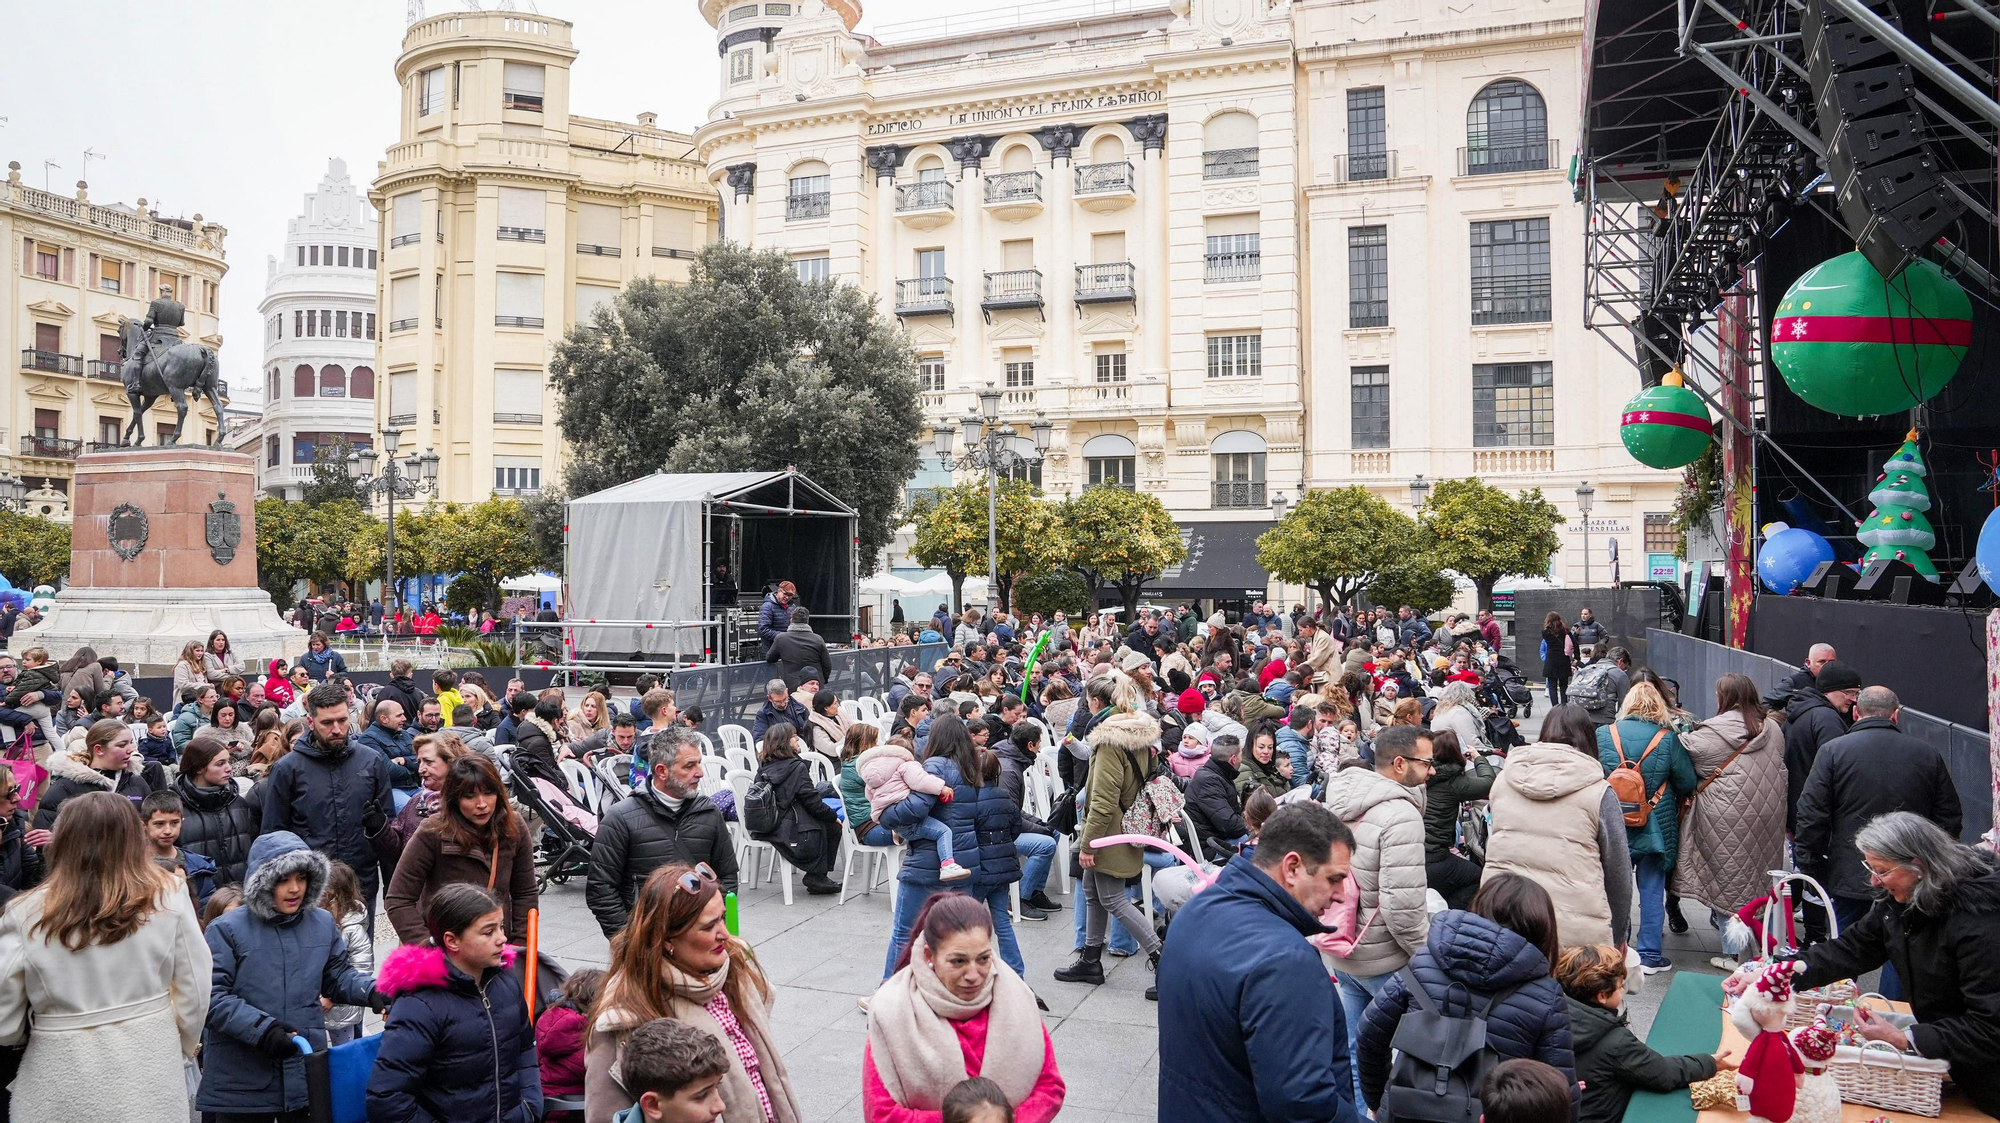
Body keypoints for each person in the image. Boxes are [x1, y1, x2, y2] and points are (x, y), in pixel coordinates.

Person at [1723, 811, 2000, 1115]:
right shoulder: (1902, 900)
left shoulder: (1980, 923)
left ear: (1917, 866)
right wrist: (1772, 975)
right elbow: (1848, 950)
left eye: (1881, 870)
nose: (1873, 880)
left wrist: (1905, 1038)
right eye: (1871, 867)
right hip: (1961, 1066)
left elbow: (1989, 1026)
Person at [0, 791, 211, 1123]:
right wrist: (179, 1042)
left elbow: (4, 1016)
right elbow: (195, 983)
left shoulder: (24, 912)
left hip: (59, 1069)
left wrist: (22, 1032)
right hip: (149, 1062)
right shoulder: (168, 894)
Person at [1157, 802, 1362, 1123]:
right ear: (1292, 867)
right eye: (1334, 879)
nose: (1340, 894)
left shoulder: (1196, 911)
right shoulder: (1284, 959)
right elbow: (1302, 1105)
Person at [587, 862, 801, 1123]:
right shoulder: (626, 1013)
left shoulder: (736, 974)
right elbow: (604, 1113)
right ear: (667, 939)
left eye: (722, 918)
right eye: (708, 927)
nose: (725, 934)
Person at [198, 830, 383, 1121]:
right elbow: (210, 997)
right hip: (242, 1078)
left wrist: (375, 991)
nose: (295, 888)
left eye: (301, 878)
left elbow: (337, 977)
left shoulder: (321, 923)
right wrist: (264, 1030)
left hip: (303, 1069)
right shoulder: (226, 928)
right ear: (263, 881)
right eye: (283, 880)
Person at [1354, 874, 1577, 1112]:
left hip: (1406, 1110)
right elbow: (1561, 1089)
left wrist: (1380, 1102)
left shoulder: (1423, 962)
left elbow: (1369, 1035)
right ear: (1542, 927)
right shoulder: (1546, 995)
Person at [1793, 685, 1961, 997]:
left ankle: (1830, 1019)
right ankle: (1894, 1016)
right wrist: (1932, 866)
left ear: (1856, 712)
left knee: (1841, 950)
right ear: (1897, 714)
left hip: (1847, 871)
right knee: (1904, 952)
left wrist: (1810, 864)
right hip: (1909, 875)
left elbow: (1811, 813)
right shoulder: (1926, 754)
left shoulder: (1833, 751)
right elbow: (1949, 817)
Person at [863, 892, 1066, 1123]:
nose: (973, 974)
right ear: (930, 955)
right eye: (958, 961)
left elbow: (1050, 1087)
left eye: (983, 959)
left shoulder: (1017, 998)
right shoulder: (893, 1011)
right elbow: (881, 1112)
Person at [369, 883, 543, 1123]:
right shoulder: (420, 1005)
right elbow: (387, 1097)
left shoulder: (504, 982)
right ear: (452, 940)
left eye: (501, 927)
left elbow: (525, 1048)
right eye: (488, 931)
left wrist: (530, 1107)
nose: (502, 939)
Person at [879, 715, 1027, 981]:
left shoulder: (935, 765)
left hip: (928, 862)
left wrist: (884, 815)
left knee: (905, 930)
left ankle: (889, 991)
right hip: (964, 861)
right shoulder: (970, 769)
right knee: (952, 934)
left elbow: (918, 806)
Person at [1321, 724, 1434, 1067]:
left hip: (1343, 946)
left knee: (1358, 1051)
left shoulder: (1341, 798)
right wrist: (1427, 956)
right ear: (1400, 764)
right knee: (1412, 1055)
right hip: (1384, 956)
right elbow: (1402, 907)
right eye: (1426, 763)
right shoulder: (1402, 816)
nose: (1432, 770)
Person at [1482, 704, 1630, 949]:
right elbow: (1618, 873)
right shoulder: (1599, 792)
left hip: (1507, 914)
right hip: (1574, 927)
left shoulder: (1503, 781)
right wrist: (1618, 935)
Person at [258, 683, 398, 931]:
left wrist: (392, 887)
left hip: (361, 880)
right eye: (327, 723)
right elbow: (273, 834)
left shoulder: (371, 761)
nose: (337, 729)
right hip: (308, 885)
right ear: (311, 722)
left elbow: (389, 828)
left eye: (342, 720)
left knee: (360, 958)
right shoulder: (287, 769)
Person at [1055, 679, 1165, 990]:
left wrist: (1088, 844)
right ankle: (1091, 960)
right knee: (1093, 891)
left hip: (1110, 831)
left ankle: (1163, 958)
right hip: (1127, 825)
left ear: (1094, 702)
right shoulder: (1139, 731)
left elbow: (1102, 800)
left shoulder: (1109, 741)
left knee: (1114, 898)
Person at [588, 725, 740, 937]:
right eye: (689, 766)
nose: (700, 772)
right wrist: (627, 941)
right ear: (661, 771)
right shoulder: (620, 818)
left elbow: (727, 877)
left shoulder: (709, 812)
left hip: (699, 940)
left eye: (699, 763)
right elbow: (601, 889)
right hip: (645, 942)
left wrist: (713, 926)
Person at [1559, 943, 1728, 1123]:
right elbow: (1662, 1073)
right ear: (1602, 996)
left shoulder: (1552, 1015)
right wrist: (1708, 1063)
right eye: (1619, 986)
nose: (1623, 990)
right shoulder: (1615, 1041)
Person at [386, 754, 540, 946]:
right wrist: (427, 949)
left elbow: (525, 894)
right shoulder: (433, 830)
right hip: (447, 950)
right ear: (455, 798)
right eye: (470, 796)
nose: (482, 804)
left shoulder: (513, 826)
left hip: (497, 947)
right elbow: (398, 899)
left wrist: (518, 949)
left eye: (489, 793)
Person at [1595, 681, 1696, 973]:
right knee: (1652, 889)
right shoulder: (1667, 738)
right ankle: (1650, 954)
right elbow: (1687, 782)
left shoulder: (1605, 734)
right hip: (1655, 824)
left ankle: (1617, 948)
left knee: (1615, 888)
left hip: (1614, 822)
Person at [1674, 673, 1787, 922]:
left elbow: (1689, 756)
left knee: (1729, 876)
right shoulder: (1773, 728)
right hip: (1769, 812)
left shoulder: (1714, 731)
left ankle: (1734, 949)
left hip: (1727, 812)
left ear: (1723, 698)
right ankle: (1755, 931)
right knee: (1757, 873)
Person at [860, 729, 969, 881]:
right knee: (943, 832)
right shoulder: (905, 765)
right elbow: (921, 781)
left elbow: (869, 795)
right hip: (909, 820)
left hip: (893, 823)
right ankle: (947, 865)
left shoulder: (872, 772)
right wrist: (941, 787)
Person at [750, 721, 844, 895]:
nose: (798, 740)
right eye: (793, 737)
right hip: (785, 828)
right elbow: (813, 802)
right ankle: (816, 876)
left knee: (821, 820)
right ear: (785, 743)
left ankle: (817, 876)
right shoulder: (795, 767)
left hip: (767, 823)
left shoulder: (764, 764)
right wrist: (832, 816)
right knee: (832, 825)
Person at [1782, 659, 1858, 834]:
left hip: (1797, 812)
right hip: (1815, 818)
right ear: (1829, 690)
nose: (1853, 699)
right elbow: (1837, 771)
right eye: (1848, 692)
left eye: (1856, 693)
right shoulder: (1827, 719)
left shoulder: (1801, 711)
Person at [1422, 728, 1494, 910]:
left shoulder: (1420, 774)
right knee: (1480, 878)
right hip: (1435, 857)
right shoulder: (1454, 783)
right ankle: (1451, 916)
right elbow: (1489, 782)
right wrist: (1478, 757)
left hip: (1415, 853)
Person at [36, 716, 151, 829]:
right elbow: (45, 830)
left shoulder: (136, 781)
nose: (131, 749)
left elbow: (152, 822)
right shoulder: (66, 786)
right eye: (122, 745)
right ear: (99, 749)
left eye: (131, 742)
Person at [539, 968, 605, 1120]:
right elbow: (594, 1069)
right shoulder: (579, 1028)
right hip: (569, 1110)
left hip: (549, 1103)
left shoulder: (552, 1016)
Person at [141, 789, 218, 910]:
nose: (168, 830)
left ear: (182, 822)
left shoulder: (199, 867)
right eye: (159, 824)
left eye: (174, 823)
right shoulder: (133, 866)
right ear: (144, 825)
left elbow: (207, 908)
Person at [390, 732, 467, 844]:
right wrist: (379, 830)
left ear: (451, 761)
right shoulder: (416, 801)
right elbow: (396, 850)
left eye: (428, 762)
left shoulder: (471, 801)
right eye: (419, 762)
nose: (421, 769)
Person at [0, 768, 45, 906]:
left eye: (17, 789)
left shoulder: (14, 825)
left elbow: (32, 879)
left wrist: (47, 850)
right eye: (9, 793)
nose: (18, 798)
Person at [766, 606, 833, 691]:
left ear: (791, 620)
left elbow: (770, 658)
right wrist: (822, 681)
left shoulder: (781, 639)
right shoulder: (818, 639)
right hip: (815, 686)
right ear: (807, 621)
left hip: (793, 687)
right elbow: (827, 665)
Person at [750, 678, 810, 742]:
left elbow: (810, 730)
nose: (783, 704)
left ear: (787, 691)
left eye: (785, 699)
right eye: (778, 701)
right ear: (769, 698)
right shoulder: (763, 714)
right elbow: (759, 740)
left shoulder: (800, 708)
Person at [806, 688, 848, 759]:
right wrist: (850, 737)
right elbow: (831, 750)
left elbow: (853, 727)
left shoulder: (839, 714)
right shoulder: (816, 727)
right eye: (835, 703)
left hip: (847, 755)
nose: (838, 705)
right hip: (832, 762)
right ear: (826, 708)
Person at [758, 580, 798, 651]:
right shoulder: (767, 606)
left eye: (790, 596)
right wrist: (785, 636)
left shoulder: (792, 606)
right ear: (779, 591)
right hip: (772, 650)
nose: (787, 597)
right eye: (785, 594)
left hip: (787, 649)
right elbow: (763, 630)